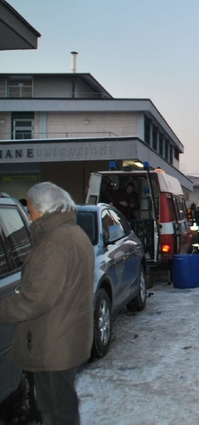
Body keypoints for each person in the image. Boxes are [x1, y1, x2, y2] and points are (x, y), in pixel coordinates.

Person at [0, 182, 94, 425]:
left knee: (55, 411)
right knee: (60, 407)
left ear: (42, 210)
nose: (29, 217)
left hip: (53, 343)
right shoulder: (73, 234)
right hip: (64, 338)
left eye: (30, 210)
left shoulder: (55, 243)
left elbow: (34, 300)